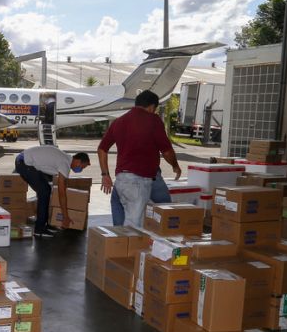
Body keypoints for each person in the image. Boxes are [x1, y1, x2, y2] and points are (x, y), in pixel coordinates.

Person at [97, 90, 181, 227]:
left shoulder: (119, 121)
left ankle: (116, 245)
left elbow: (102, 149)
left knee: (121, 218)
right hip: (139, 181)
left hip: (121, 180)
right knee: (134, 227)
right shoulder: (153, 120)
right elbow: (166, 151)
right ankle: (126, 247)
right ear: (152, 107)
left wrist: (105, 174)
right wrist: (175, 166)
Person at [15, 146, 91, 238]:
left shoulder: (65, 158)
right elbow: (61, 192)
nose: (80, 170)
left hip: (25, 161)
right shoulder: (65, 163)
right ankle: (39, 229)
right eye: (82, 167)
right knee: (44, 191)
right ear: (78, 161)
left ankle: (44, 225)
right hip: (24, 162)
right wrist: (65, 217)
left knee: (46, 189)